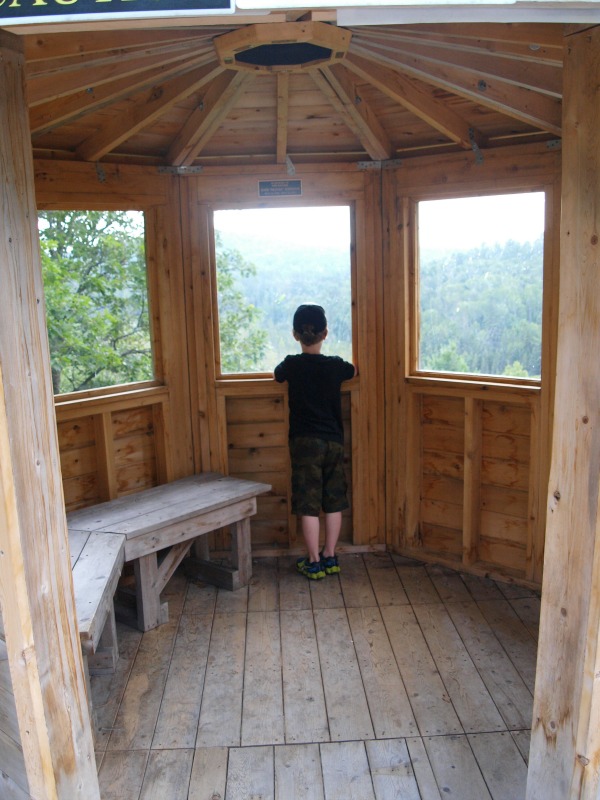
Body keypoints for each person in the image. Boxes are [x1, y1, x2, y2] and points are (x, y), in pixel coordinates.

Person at [274, 303, 357, 580]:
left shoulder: (292, 365)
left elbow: (277, 375)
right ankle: (330, 556)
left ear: (296, 335)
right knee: (333, 500)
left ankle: (312, 562)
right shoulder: (335, 366)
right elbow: (353, 371)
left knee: (308, 503)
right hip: (333, 441)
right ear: (326, 334)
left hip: (304, 443)